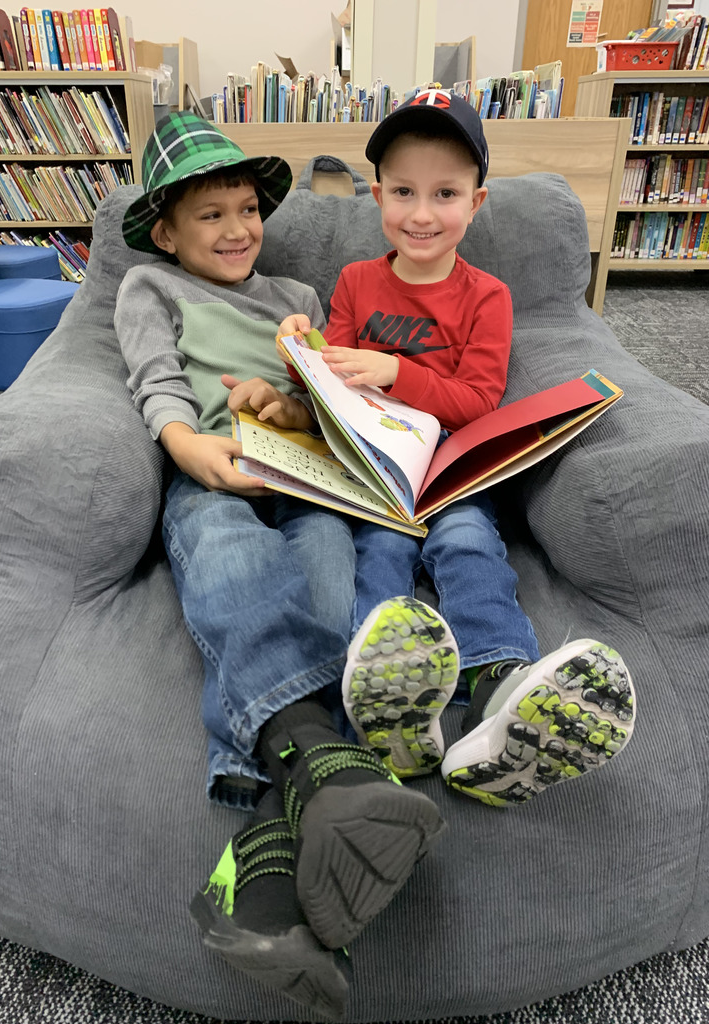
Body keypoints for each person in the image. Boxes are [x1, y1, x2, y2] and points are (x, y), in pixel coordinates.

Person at [115, 111, 449, 1021]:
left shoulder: (297, 291)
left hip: (305, 478)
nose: (235, 229)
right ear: (168, 232)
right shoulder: (149, 285)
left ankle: (275, 858)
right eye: (210, 215)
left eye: (247, 209)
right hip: (217, 473)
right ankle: (318, 793)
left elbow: (323, 410)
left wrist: (290, 397)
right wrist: (187, 447)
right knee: (230, 568)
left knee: (335, 605)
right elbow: (155, 380)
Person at [278, 88, 636, 810]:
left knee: (470, 542)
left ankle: (501, 693)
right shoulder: (354, 282)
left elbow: (477, 399)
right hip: (378, 474)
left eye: (444, 194)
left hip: (451, 470)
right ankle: (375, 714)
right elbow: (333, 383)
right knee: (377, 560)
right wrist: (301, 351)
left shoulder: (487, 297)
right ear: (377, 196)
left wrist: (397, 372)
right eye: (404, 191)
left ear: (476, 203)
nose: (421, 213)